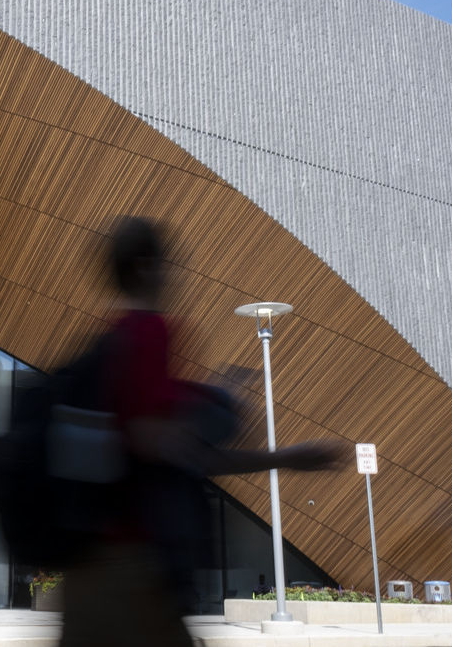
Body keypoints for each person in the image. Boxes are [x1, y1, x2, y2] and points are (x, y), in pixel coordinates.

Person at [59, 217, 344, 646]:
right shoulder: (150, 333)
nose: (172, 273)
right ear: (142, 267)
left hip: (86, 572)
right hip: (136, 572)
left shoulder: (104, 345)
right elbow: (164, 444)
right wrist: (283, 456)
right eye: (164, 262)